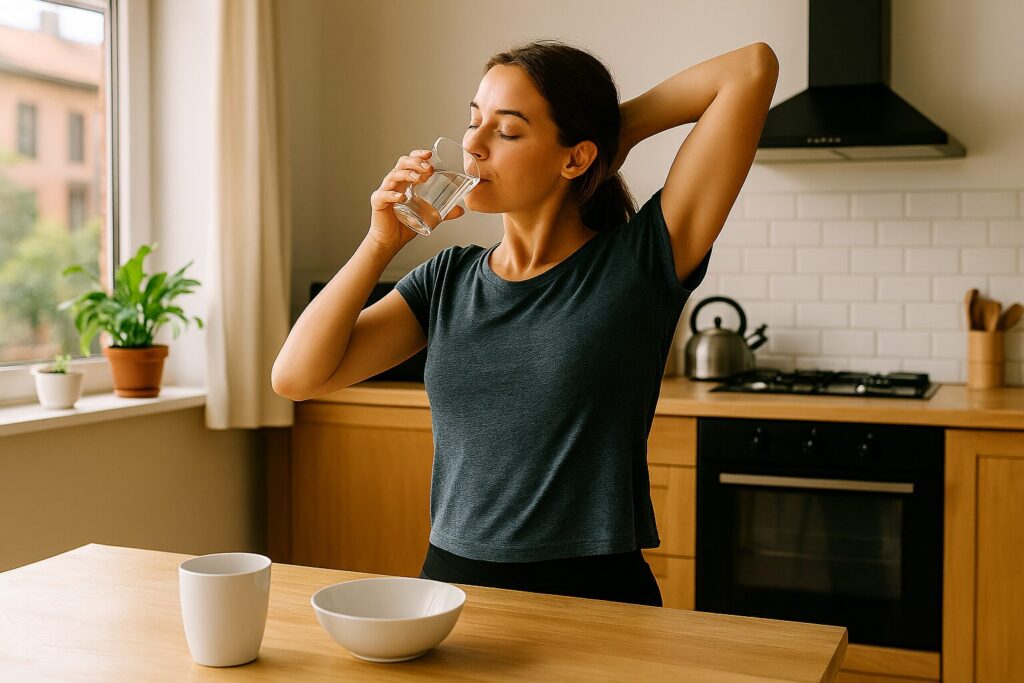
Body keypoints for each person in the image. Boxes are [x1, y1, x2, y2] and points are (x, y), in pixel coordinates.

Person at [272, 39, 779, 607]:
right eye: (473, 122)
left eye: (507, 131)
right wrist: (378, 243)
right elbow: (296, 378)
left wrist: (610, 137)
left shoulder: (638, 264)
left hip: (593, 597)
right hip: (449, 588)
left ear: (575, 158)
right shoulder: (448, 279)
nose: (473, 144)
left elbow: (749, 67)